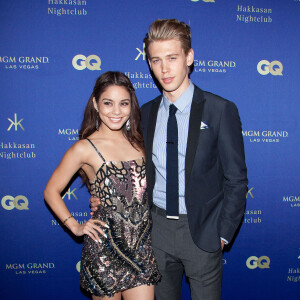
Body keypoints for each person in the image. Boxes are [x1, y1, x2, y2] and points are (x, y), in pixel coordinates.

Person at [91, 19, 248, 300]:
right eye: (156, 60)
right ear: (149, 63)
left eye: (172, 58)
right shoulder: (145, 114)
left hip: (202, 231)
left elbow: (236, 179)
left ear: (189, 57)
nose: (164, 69)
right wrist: (103, 197)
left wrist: (223, 234)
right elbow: (121, 163)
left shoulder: (220, 110)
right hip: (155, 231)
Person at [44, 71, 161, 300]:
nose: (116, 111)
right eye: (108, 103)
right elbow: (51, 190)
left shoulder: (140, 141)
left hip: (141, 249)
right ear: (96, 104)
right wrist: (75, 227)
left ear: (131, 106)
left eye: (123, 103)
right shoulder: (84, 148)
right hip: (104, 250)